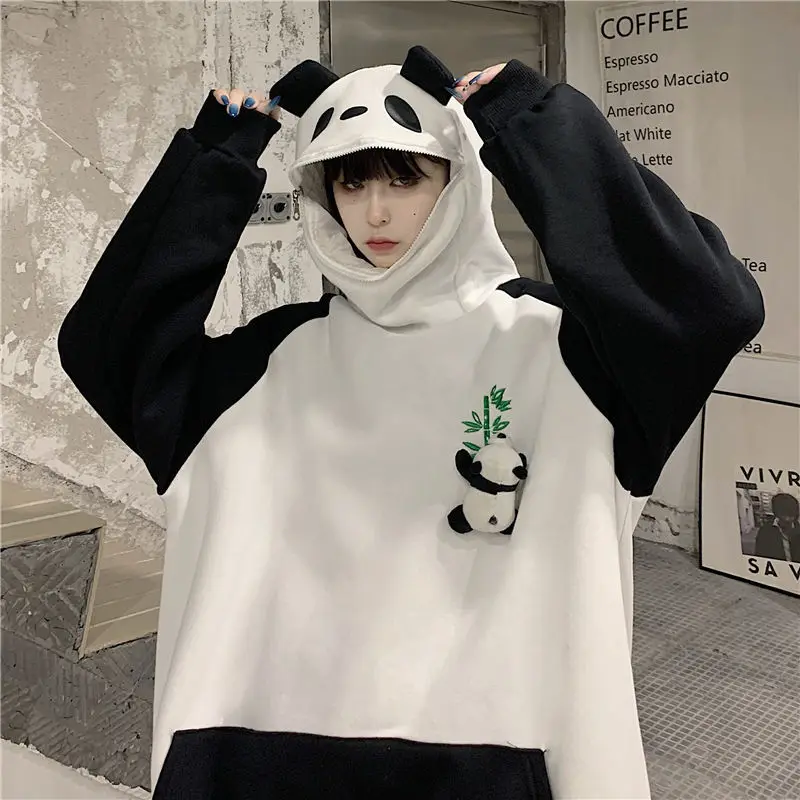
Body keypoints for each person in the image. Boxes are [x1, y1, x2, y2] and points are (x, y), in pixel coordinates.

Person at [57, 46, 764, 799]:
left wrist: (529, 120)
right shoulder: (271, 363)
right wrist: (215, 163)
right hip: (259, 760)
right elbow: (111, 351)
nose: (376, 212)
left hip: (502, 766)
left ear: (457, 177)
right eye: (350, 180)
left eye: (405, 177)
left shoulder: (562, 354)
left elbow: (707, 310)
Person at [754, 493, 800, 562]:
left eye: (791, 515)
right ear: (776, 513)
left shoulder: (798, 530)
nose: (787, 519)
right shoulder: (765, 532)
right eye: (784, 514)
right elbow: (760, 556)